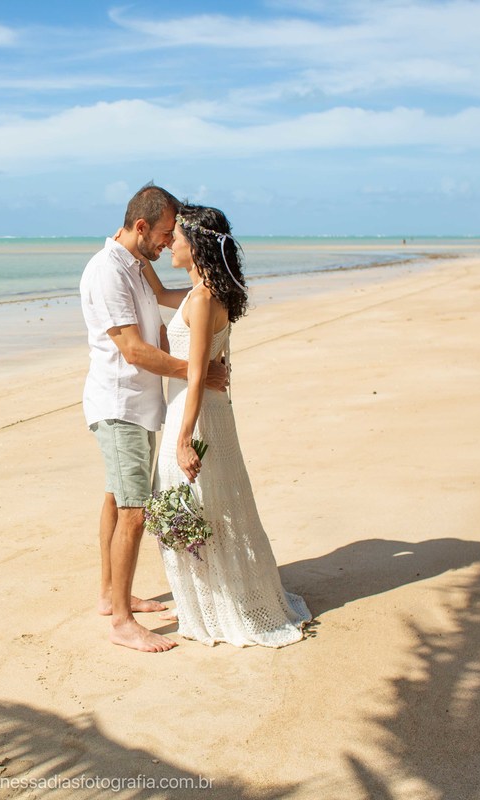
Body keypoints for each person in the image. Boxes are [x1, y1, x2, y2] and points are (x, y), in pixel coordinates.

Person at [151, 204, 312, 647]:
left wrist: (183, 439)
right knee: (211, 503)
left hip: (195, 413)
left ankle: (219, 606)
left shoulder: (203, 300)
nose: (170, 244)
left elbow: (199, 372)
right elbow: (159, 290)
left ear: (196, 245)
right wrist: (128, 243)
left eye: (176, 238)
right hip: (209, 410)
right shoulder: (203, 293)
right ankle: (224, 595)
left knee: (195, 504)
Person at [80, 183, 228, 653]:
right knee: (133, 511)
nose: (169, 242)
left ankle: (109, 595)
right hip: (119, 404)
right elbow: (134, 349)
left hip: (141, 406)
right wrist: (200, 372)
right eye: (165, 233)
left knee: (115, 497)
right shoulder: (107, 272)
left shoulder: (136, 265)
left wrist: (213, 290)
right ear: (140, 227)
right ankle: (122, 623)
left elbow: (162, 317)